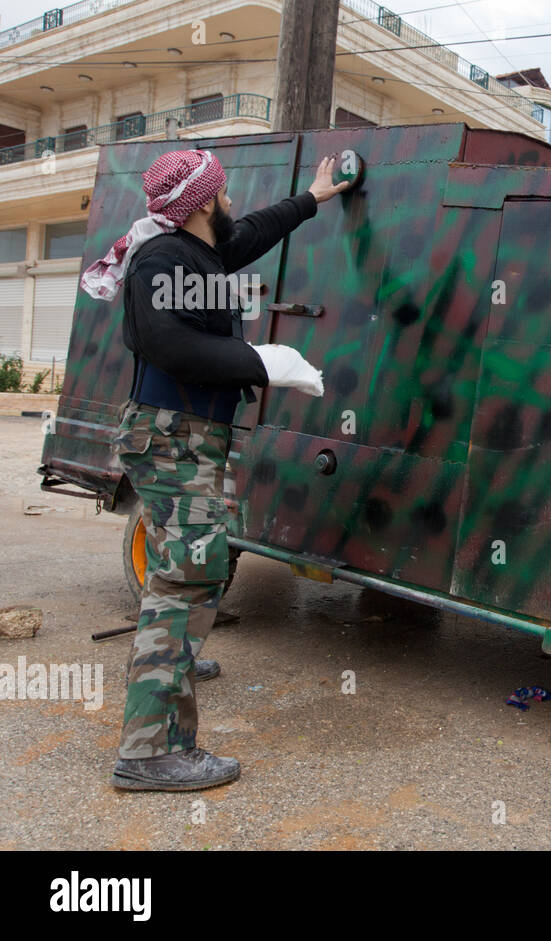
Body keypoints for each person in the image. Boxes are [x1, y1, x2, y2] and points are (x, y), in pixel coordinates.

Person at [80, 148, 350, 790]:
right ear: (202, 203)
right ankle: (150, 753)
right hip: (174, 436)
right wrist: (261, 363)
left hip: (185, 435)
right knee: (191, 578)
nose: (229, 204)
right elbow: (166, 341)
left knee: (183, 573)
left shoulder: (195, 252)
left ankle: (166, 662)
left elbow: (249, 233)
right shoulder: (163, 259)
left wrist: (314, 197)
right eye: (223, 196)